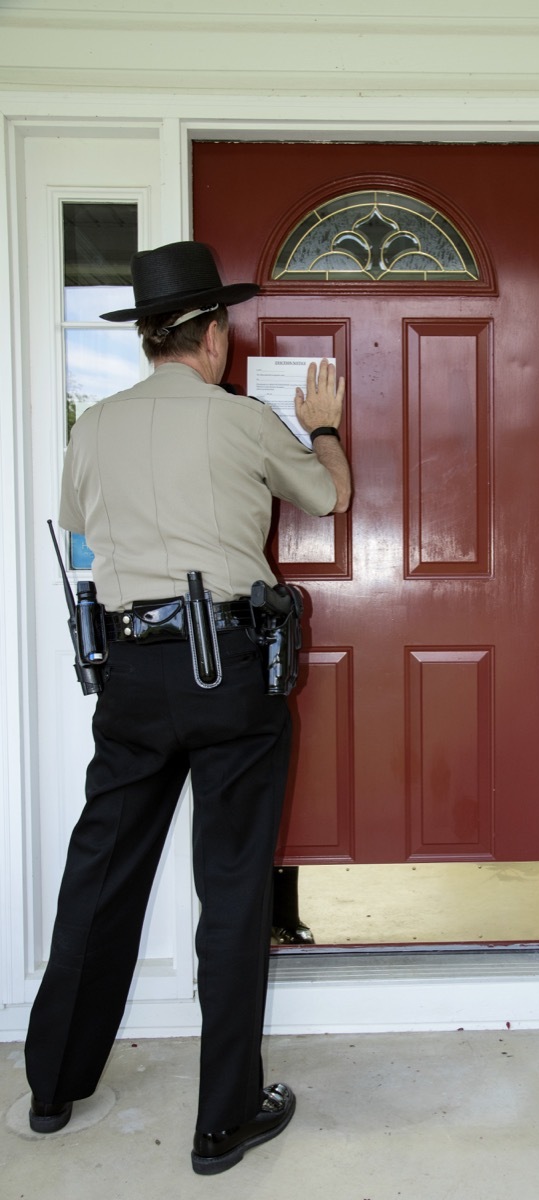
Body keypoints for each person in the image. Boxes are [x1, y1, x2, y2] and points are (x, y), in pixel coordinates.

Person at [24, 240, 351, 1175]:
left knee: (101, 872)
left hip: (129, 668)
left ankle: (53, 1086)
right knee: (235, 885)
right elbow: (329, 497)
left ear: (147, 341)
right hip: (229, 668)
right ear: (210, 335)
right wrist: (320, 425)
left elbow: (81, 525)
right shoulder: (243, 421)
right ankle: (223, 1122)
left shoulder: (95, 427)